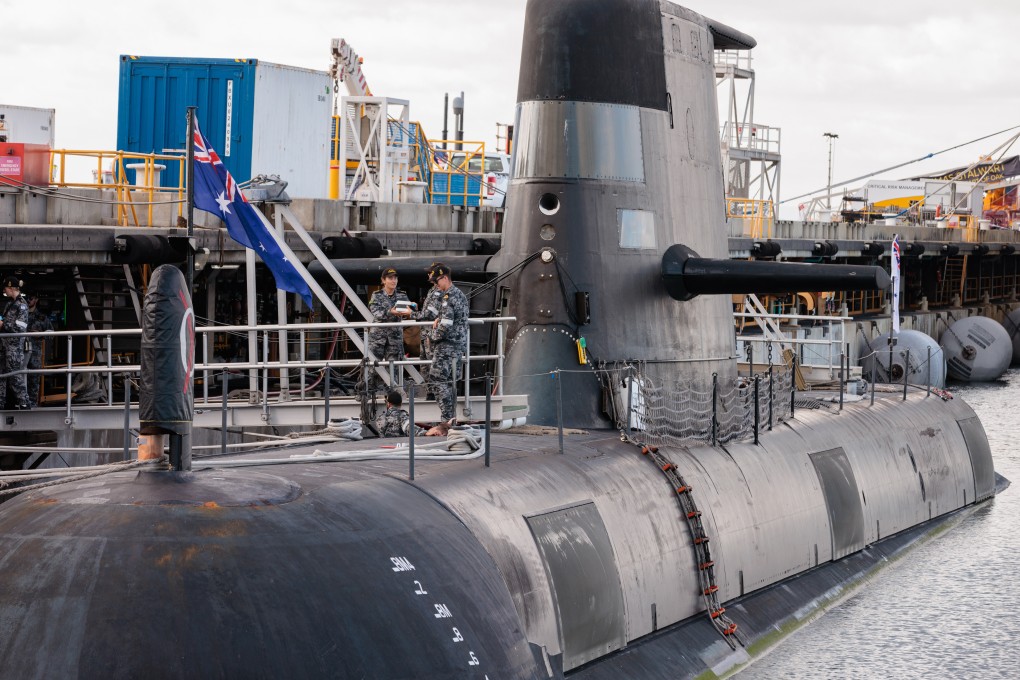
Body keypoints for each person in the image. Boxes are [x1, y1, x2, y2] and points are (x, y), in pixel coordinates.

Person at [426, 263, 469, 424]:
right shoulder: (459, 294)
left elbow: (445, 325)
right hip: (458, 345)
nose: (436, 285)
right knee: (450, 381)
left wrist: (432, 336)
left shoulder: (448, 297)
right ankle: (451, 418)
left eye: (437, 281)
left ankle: (446, 418)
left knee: (437, 379)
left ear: (444, 278)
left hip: (447, 345)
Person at [366, 268, 413, 397]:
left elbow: (407, 312)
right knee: (372, 366)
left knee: (394, 368)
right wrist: (390, 312)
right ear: (383, 280)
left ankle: (393, 396)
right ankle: (367, 393)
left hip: (394, 338)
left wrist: (411, 309)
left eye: (395, 278)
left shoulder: (402, 295)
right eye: (390, 278)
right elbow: (375, 312)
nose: (393, 281)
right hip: (377, 337)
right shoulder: (377, 295)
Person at [0, 276, 30, 409]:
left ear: (11, 288)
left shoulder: (22, 305)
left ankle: (24, 402)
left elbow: (20, 327)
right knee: (2, 375)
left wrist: (2, 325)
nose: (4, 290)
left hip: (14, 348)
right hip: (4, 346)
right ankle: (1, 402)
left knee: (14, 376)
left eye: (5, 288)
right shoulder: (9, 304)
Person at [24, 293, 53, 408]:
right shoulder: (20, 314)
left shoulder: (42, 317)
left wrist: (40, 335)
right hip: (19, 353)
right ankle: (21, 404)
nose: (28, 300)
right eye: (26, 298)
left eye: (30, 298)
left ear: (36, 299)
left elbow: (51, 333)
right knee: (17, 378)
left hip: (35, 354)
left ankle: (32, 406)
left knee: (34, 380)